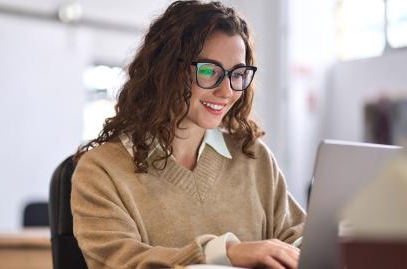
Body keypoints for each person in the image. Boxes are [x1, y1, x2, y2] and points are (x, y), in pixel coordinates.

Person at [71, 1, 305, 269]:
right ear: (165, 70)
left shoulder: (254, 157)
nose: (227, 91)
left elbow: (297, 239)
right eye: (208, 71)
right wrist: (225, 253)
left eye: (238, 74)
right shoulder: (101, 171)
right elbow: (122, 261)